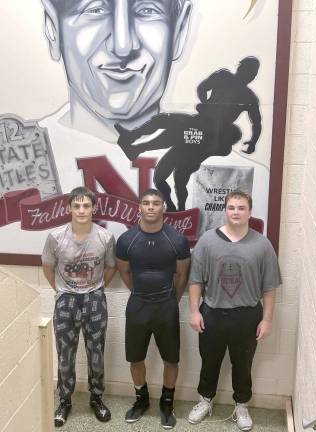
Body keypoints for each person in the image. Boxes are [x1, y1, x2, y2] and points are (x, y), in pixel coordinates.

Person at [116, 57, 261, 211]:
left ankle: (136, 148)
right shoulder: (224, 76)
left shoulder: (249, 97)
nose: (246, 74)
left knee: (177, 169)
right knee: (165, 128)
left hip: (210, 135)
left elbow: (256, 123)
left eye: (250, 72)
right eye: (244, 69)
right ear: (239, 68)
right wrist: (206, 103)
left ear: (252, 76)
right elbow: (203, 87)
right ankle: (134, 144)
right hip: (200, 122)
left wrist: (253, 141)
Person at [187, 190, 281, 431]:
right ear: (225, 210)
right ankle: (205, 400)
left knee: (243, 363)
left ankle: (241, 404)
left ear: (250, 212)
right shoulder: (207, 240)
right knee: (209, 361)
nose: (236, 212)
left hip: (247, 315)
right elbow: (196, 281)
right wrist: (194, 311)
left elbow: (269, 287)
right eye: (231, 207)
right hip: (213, 312)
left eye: (241, 208)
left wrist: (267, 320)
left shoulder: (262, 244)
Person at [41, 0, 192, 142]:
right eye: (95, 9)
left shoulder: (210, 157)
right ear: (53, 30)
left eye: (147, 10)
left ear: (179, 32)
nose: (122, 47)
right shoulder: (30, 151)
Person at [116, 188, 190, 429]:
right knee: (135, 358)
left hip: (166, 306)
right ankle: (142, 400)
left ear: (163, 207)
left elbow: (181, 276)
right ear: (139, 207)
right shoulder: (126, 240)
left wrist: (171, 300)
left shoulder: (177, 240)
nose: (150, 207)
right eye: (146, 203)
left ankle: (167, 404)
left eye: (155, 203)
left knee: (171, 359)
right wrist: (141, 293)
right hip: (138, 305)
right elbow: (125, 272)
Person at [42, 186, 116, 427]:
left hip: (95, 298)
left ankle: (96, 398)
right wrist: (63, 292)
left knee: (96, 353)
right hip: (66, 300)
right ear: (69, 208)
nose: (82, 210)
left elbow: (111, 267)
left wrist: (95, 288)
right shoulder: (55, 237)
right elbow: (48, 268)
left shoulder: (105, 237)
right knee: (65, 355)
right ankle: (65, 400)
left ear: (94, 208)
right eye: (77, 205)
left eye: (86, 205)